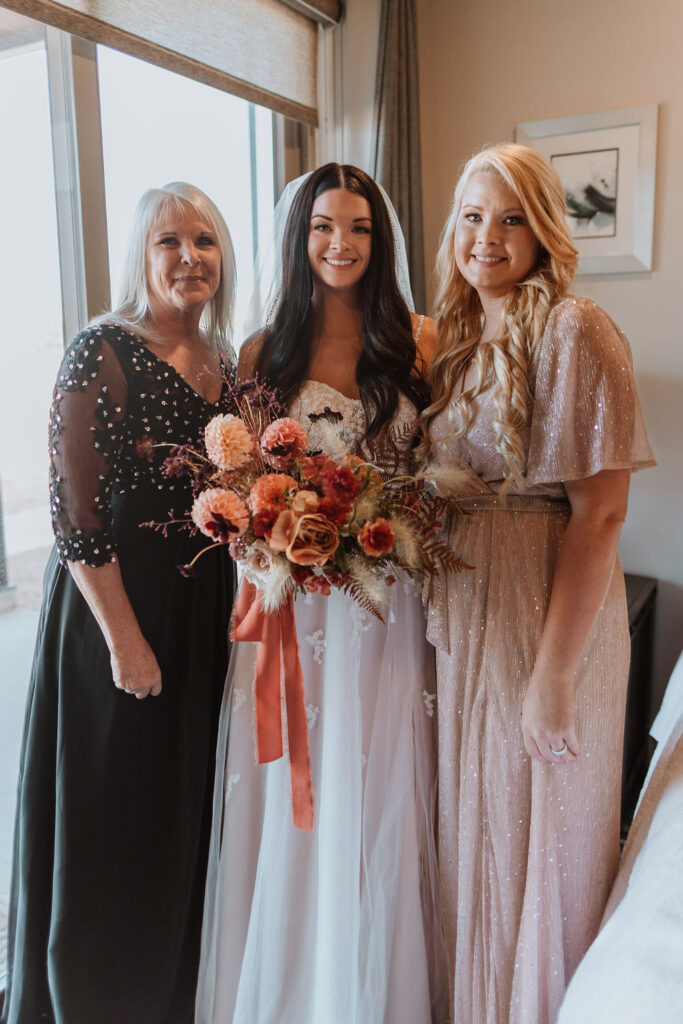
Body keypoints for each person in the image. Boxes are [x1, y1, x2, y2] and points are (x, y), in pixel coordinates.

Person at [195, 163, 446, 1024]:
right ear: (299, 238)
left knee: (381, 784)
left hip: (387, 602)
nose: (341, 244)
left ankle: (376, 989)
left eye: (360, 228)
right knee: (301, 795)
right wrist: (274, 542)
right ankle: (302, 988)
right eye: (323, 227)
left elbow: (434, 478)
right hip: (299, 610)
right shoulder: (267, 349)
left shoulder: (419, 339)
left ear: (380, 243)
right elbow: (242, 480)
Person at [421, 143, 656, 1024]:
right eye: (474, 215)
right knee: (479, 835)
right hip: (469, 623)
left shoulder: (573, 327)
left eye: (512, 217)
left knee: (540, 834)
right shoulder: (451, 342)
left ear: (544, 230)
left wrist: (553, 681)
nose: (487, 236)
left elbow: (597, 516)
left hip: (545, 622)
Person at [2, 182, 238, 1024]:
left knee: (180, 808)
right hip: (116, 610)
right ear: (142, 255)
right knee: (113, 814)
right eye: (169, 242)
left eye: (204, 241)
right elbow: (74, 514)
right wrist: (126, 642)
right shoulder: (100, 348)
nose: (188, 258)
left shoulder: (230, 363)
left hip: (202, 607)